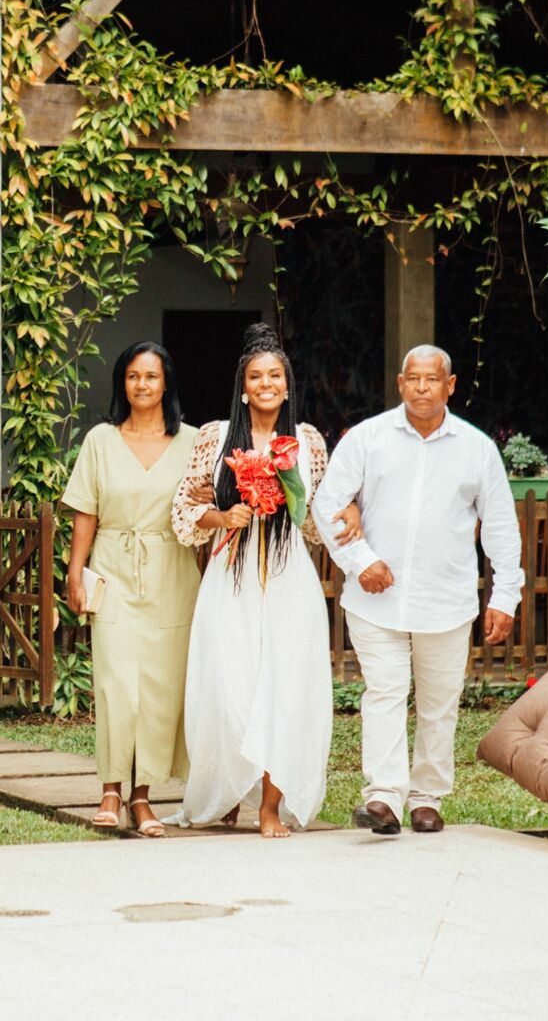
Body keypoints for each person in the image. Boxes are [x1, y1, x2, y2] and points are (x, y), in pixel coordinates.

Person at [313, 344, 523, 835]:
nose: (422, 387)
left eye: (433, 379)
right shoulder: (367, 438)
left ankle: (427, 797)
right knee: (384, 692)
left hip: (445, 598)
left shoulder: (476, 448)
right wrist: (360, 561)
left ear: (449, 386)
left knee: (439, 700)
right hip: (375, 598)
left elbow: (500, 528)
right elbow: (327, 504)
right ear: (400, 383)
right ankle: (383, 796)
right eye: (413, 378)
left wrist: (504, 596)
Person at [169, 324, 358, 837]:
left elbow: (316, 520)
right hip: (231, 576)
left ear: (287, 383)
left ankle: (270, 806)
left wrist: (349, 513)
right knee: (229, 688)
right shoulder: (214, 438)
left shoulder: (307, 441)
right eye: (256, 377)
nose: (266, 384)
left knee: (285, 687)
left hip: (287, 576)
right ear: (243, 385)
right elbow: (184, 508)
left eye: (275, 375)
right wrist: (222, 517)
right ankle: (228, 788)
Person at [62, 342, 203, 838]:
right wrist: (75, 572)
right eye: (132, 376)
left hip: (173, 571)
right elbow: (86, 512)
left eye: (151, 376)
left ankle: (144, 798)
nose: (142, 385)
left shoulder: (193, 442)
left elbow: (206, 509)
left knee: (161, 688)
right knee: (116, 682)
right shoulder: (101, 440)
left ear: (167, 383)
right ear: (123, 384)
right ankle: (111, 788)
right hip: (114, 568)